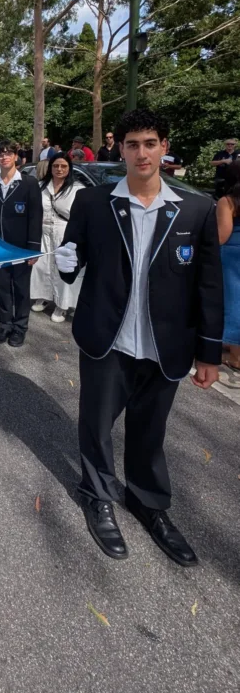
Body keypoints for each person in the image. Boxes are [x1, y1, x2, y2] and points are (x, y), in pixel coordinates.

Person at [55, 108, 222, 566]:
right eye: (132, 144)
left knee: (150, 431)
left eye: (150, 143)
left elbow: (209, 285)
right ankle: (97, 493)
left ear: (164, 147)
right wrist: (66, 264)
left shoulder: (196, 208)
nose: (141, 152)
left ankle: (148, 503)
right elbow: (74, 259)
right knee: (97, 424)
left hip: (166, 343)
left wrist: (210, 353)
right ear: (121, 149)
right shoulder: (94, 203)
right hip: (108, 338)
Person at [0, 139, 43, 348]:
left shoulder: (29, 183)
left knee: (21, 288)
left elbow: (36, 217)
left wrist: (34, 248)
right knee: (3, 287)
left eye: (8, 153)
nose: (4, 157)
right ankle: (5, 324)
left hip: (21, 247)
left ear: (16, 156)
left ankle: (20, 327)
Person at [31, 153, 85, 322]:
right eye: (56, 166)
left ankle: (63, 305)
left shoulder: (77, 189)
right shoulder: (41, 186)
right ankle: (44, 296)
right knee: (42, 266)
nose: (59, 169)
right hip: (43, 231)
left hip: (65, 232)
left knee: (63, 268)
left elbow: (82, 216)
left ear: (69, 168)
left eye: (63, 166)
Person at [216, 161, 240, 387]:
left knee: (233, 301)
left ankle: (235, 356)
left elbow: (221, 235)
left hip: (233, 255)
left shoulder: (228, 201)